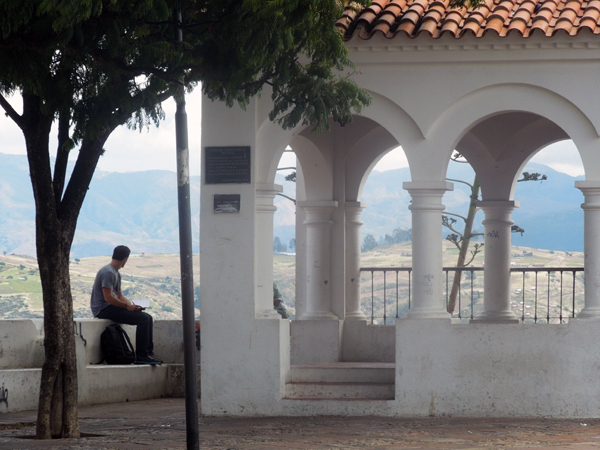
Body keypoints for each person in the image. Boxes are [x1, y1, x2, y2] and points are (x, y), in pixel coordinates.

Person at [90, 245, 162, 365]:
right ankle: (142, 356)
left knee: (147, 317)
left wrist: (133, 306)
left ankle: (148, 353)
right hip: (104, 309)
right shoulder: (108, 272)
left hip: (111, 307)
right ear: (125, 259)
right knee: (143, 319)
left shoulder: (116, 273)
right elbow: (108, 297)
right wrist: (126, 307)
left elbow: (120, 296)